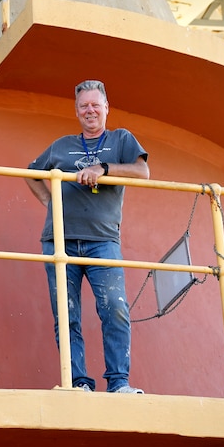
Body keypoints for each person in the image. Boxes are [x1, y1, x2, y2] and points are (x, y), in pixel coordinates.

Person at [25, 80, 149, 394]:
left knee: (115, 309)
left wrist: (104, 169)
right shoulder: (62, 145)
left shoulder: (121, 139)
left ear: (107, 108)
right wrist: (49, 203)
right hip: (59, 240)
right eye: (84, 106)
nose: (90, 110)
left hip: (102, 241)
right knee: (66, 316)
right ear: (77, 111)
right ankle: (78, 382)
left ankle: (119, 383)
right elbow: (33, 173)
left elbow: (142, 172)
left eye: (95, 105)